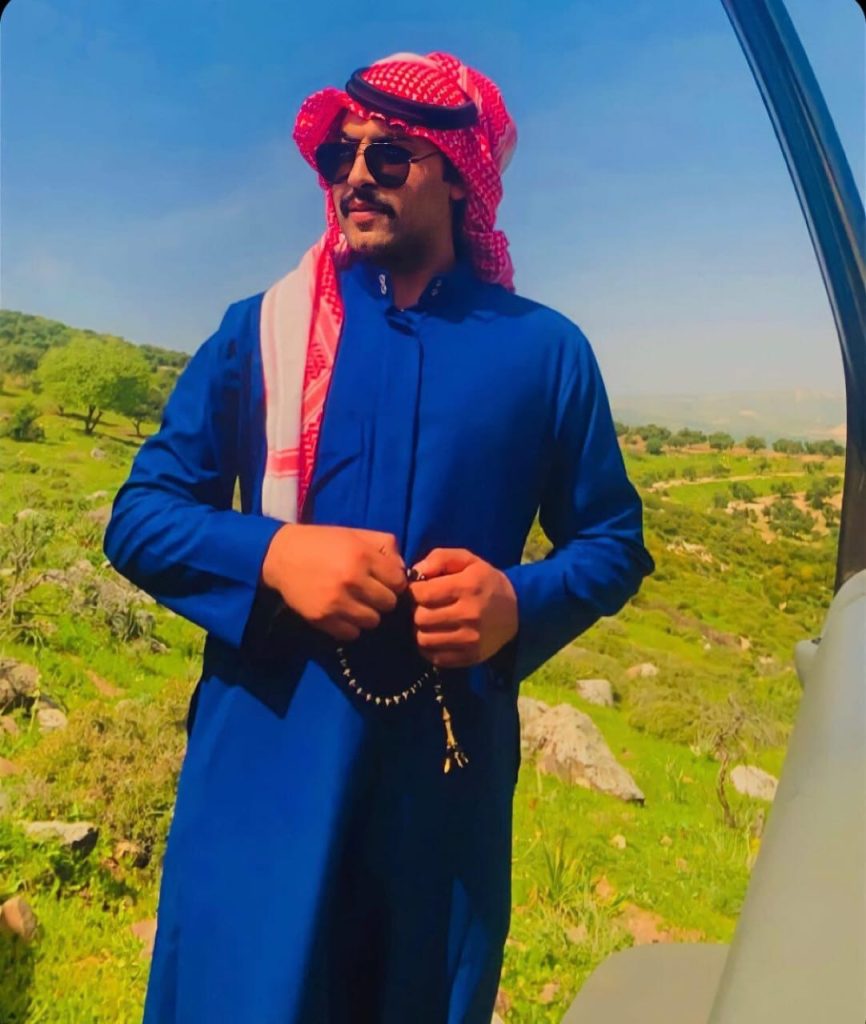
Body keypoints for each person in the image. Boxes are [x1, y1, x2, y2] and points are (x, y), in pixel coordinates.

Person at [104, 50, 655, 1024]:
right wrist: (274, 555)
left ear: (459, 174)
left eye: (389, 154)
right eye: (339, 155)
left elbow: (612, 540)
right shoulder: (258, 333)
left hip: (438, 794)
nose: (354, 174)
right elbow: (141, 517)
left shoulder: (544, 351)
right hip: (261, 770)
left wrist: (514, 602)